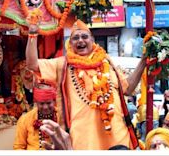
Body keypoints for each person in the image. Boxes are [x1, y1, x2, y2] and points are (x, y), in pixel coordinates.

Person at [26, 19, 146, 150]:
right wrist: (32, 34)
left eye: (84, 36)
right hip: (83, 140)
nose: (80, 40)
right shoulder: (62, 65)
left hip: (117, 137)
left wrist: (143, 61)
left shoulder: (107, 62)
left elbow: (127, 89)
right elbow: (32, 64)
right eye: (75, 38)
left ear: (92, 40)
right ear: (70, 43)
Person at [14, 84, 57, 150]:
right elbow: (18, 147)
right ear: (36, 102)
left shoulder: (62, 117)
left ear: (54, 101)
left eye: (48, 103)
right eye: (41, 103)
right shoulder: (25, 119)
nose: (45, 107)